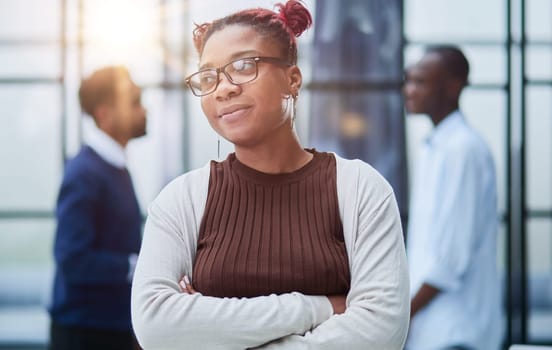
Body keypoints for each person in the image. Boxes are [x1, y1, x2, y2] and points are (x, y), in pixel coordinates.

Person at [131, 1, 409, 349]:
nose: (223, 88)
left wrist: (209, 330)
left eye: (244, 65)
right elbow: (156, 325)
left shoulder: (360, 189)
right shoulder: (182, 199)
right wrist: (318, 306)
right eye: (208, 76)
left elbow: (380, 332)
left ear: (292, 79)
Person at [402, 46, 503, 350]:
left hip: (457, 334)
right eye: (408, 80)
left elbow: (450, 259)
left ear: (452, 87)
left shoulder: (463, 149)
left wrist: (401, 317)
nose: (409, 90)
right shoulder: (436, 147)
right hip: (434, 332)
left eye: (420, 82)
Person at [48, 66, 146, 350]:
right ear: (105, 115)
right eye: (135, 102)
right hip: (85, 333)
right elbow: (73, 259)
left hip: (107, 327)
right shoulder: (84, 173)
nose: (144, 110)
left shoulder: (113, 166)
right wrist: (138, 267)